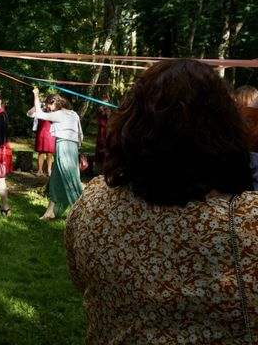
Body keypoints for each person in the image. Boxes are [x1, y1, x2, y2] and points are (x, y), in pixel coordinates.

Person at [65, 59, 256, 344]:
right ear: (226, 129)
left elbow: (79, 280)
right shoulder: (248, 223)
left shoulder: (92, 202)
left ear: (130, 123)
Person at [29, 91, 83, 220]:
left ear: (54, 103)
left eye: (49, 106)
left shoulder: (59, 114)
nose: (49, 110)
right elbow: (80, 133)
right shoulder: (73, 114)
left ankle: (82, 211)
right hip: (71, 147)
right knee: (55, 178)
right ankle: (50, 211)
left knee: (69, 178)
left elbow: (40, 114)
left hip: (64, 147)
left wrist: (36, 95)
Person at [28, 95, 55, 176]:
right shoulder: (39, 110)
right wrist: (37, 104)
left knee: (50, 153)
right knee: (41, 152)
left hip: (50, 133)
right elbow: (29, 114)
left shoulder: (53, 111)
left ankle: (49, 170)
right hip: (40, 133)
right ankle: (39, 170)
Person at [92, 94, 111, 174]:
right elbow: (95, 120)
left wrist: (106, 112)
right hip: (100, 134)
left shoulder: (110, 111)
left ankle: (106, 171)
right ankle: (98, 171)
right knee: (98, 153)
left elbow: (110, 121)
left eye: (105, 102)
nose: (103, 104)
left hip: (107, 135)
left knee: (106, 152)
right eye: (102, 102)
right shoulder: (99, 111)